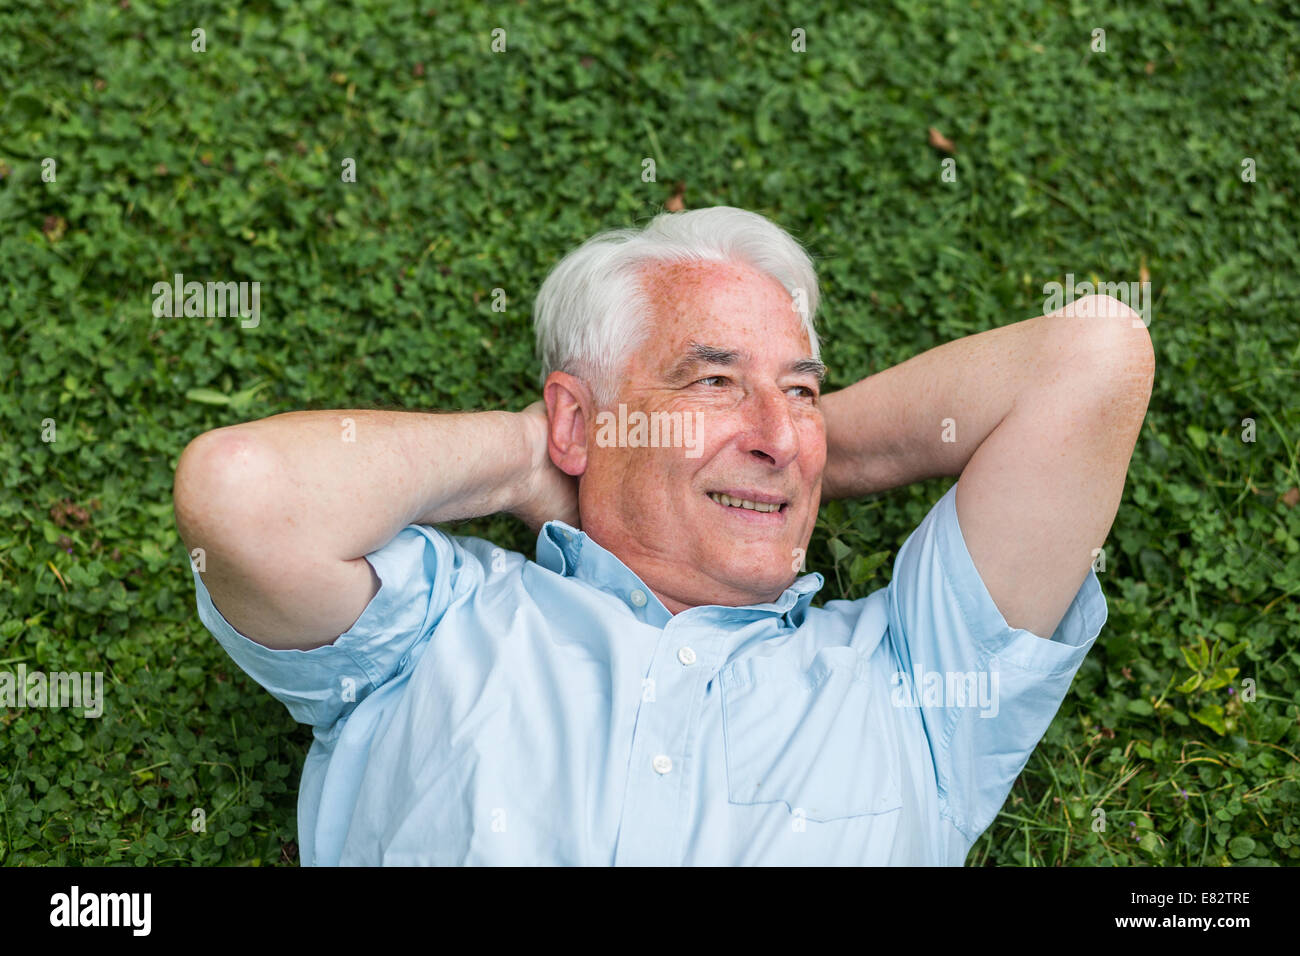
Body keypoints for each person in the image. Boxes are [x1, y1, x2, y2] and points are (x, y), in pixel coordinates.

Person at [173, 206, 1154, 865]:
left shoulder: (914, 680)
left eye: (803, 389)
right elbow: (242, 492)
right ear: (577, 419)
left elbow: (1094, 358)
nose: (778, 429)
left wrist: (783, 450)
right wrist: (531, 456)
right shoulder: (439, 624)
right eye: (712, 379)